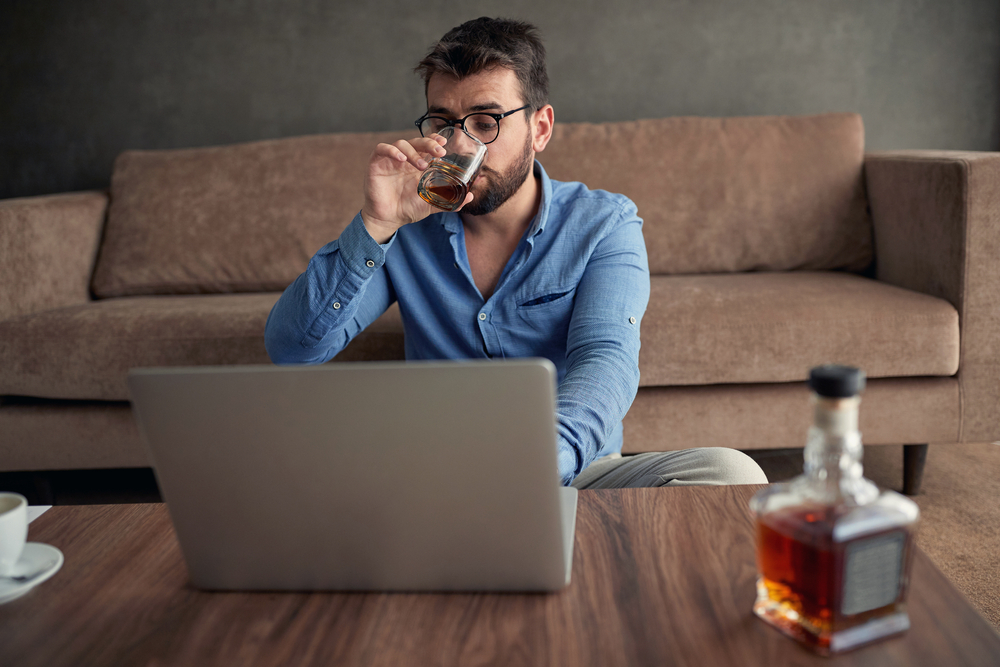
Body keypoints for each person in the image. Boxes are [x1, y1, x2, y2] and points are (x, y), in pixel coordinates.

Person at [265, 17, 767, 489]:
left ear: (540, 128)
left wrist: (531, 467)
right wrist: (376, 225)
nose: (460, 143)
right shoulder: (407, 228)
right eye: (443, 122)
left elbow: (606, 361)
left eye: (485, 121)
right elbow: (291, 350)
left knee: (732, 472)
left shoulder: (604, 223)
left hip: (567, 472)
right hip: (436, 475)